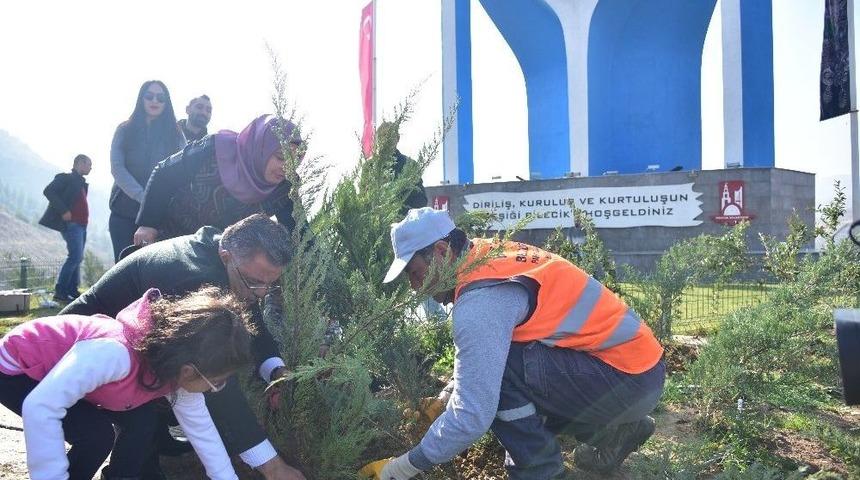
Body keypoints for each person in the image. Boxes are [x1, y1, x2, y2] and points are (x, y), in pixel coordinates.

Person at [366, 207, 666, 479]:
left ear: (443, 251)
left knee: (502, 376)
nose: (416, 289)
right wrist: (446, 397)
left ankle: (539, 471)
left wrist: (401, 467)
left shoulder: (481, 302)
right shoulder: (482, 254)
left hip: (627, 380)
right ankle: (615, 433)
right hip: (637, 369)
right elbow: (494, 345)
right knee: (505, 366)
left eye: (416, 274)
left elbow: (473, 415)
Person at [62, 214, 306, 480]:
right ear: (226, 256)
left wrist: (276, 372)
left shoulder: (227, 259)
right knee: (136, 426)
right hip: (78, 355)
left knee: (149, 418)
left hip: (132, 354)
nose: (260, 294)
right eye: (254, 283)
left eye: (269, 285)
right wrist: (273, 467)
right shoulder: (194, 281)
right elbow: (218, 386)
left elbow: (253, 325)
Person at [0, 286, 254, 480]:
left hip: (74, 380)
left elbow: (202, 430)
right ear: (189, 371)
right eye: (217, 382)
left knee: (142, 420)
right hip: (19, 369)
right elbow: (41, 407)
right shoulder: (115, 355)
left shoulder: (176, 370)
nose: (214, 389)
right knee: (96, 435)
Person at [132, 114, 301, 246]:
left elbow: (298, 233)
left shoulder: (285, 187)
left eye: (294, 161)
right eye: (280, 157)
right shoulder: (216, 149)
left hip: (217, 260)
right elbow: (164, 173)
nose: (287, 167)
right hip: (168, 240)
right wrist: (148, 224)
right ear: (261, 148)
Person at [109, 80, 186, 261]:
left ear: (166, 102)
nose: (155, 101)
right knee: (122, 270)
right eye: (149, 96)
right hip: (123, 212)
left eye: (160, 97)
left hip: (160, 217)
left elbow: (183, 170)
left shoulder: (176, 134)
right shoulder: (124, 130)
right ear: (141, 99)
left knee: (152, 272)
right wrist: (144, 197)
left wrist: (155, 203)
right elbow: (117, 168)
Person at [38, 154, 92, 303]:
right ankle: (60, 291)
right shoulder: (66, 178)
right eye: (88, 164)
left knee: (77, 257)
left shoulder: (81, 182)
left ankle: (72, 291)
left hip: (81, 225)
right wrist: (63, 210)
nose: (90, 168)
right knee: (75, 256)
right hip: (72, 224)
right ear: (79, 163)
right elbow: (48, 191)